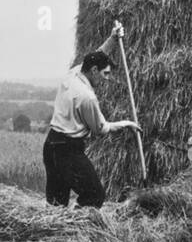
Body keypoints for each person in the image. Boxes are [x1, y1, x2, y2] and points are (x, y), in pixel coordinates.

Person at [43, 20, 139, 208]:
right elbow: (101, 129)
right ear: (94, 71)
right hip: (68, 150)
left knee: (56, 205)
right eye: (106, 74)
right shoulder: (87, 97)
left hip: (51, 146)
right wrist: (126, 123)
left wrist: (112, 38)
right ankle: (80, 230)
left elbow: (97, 55)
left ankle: (63, 232)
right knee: (95, 195)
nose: (107, 79)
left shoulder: (74, 73)